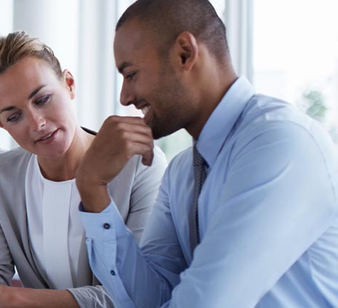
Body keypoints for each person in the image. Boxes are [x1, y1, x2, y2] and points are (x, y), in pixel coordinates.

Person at [75, 0, 338, 307]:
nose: (125, 96)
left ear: (184, 53)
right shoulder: (182, 172)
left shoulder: (281, 143)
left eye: (131, 74)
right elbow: (148, 299)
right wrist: (91, 187)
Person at [0, 31, 167, 307]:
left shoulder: (139, 165)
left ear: (69, 84)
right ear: (0, 123)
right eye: (14, 116)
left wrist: (10, 297)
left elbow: (134, 294)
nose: (37, 123)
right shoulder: (0, 173)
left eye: (42, 99)